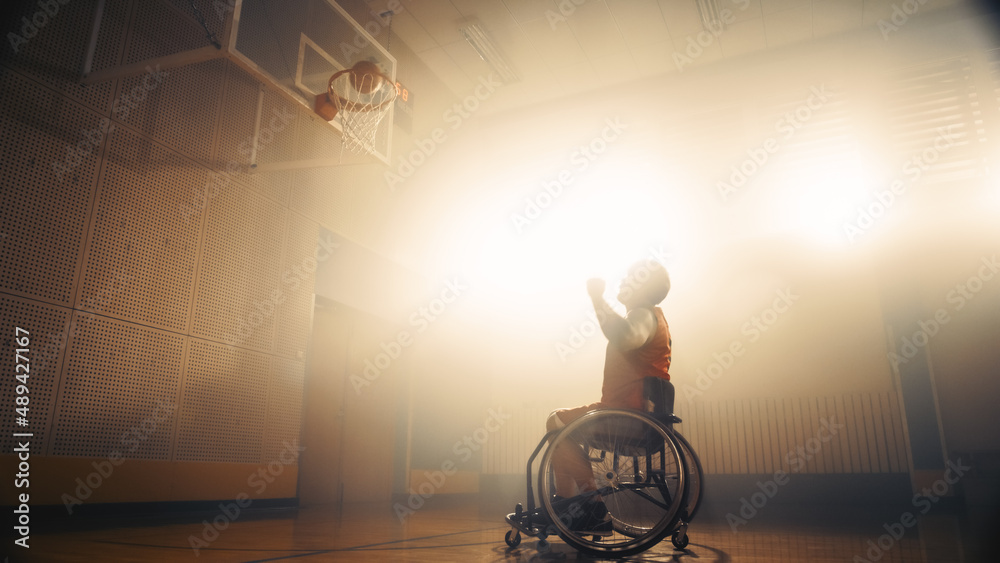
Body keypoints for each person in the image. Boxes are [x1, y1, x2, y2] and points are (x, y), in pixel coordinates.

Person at [544, 259, 673, 534]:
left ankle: (588, 507)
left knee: (555, 422)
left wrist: (596, 297)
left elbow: (625, 336)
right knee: (561, 426)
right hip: (635, 416)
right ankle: (565, 507)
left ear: (644, 286)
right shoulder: (653, 318)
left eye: (631, 277)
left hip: (625, 415)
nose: (624, 281)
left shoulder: (643, 315)